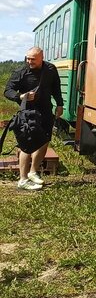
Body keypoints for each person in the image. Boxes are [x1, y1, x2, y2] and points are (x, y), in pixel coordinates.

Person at [3, 46, 63, 191]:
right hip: (28, 113)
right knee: (26, 145)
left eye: (33, 59)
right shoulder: (21, 72)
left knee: (44, 141)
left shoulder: (50, 69)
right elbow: (8, 90)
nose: (29, 61)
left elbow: (56, 87)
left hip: (46, 112)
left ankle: (33, 172)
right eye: (28, 58)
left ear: (42, 58)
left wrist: (60, 104)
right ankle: (23, 180)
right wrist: (20, 96)